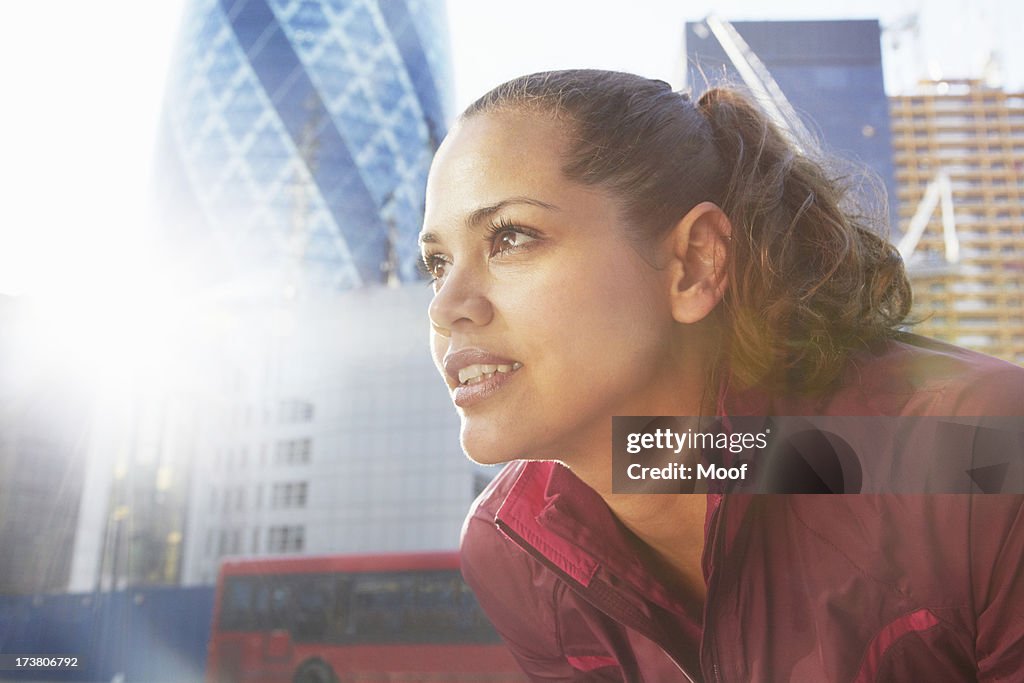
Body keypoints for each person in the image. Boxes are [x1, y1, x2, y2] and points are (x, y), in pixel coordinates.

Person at [418, 70, 1024, 682]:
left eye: (511, 237)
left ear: (694, 262)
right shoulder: (515, 553)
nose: (445, 307)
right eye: (437, 263)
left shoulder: (977, 452)